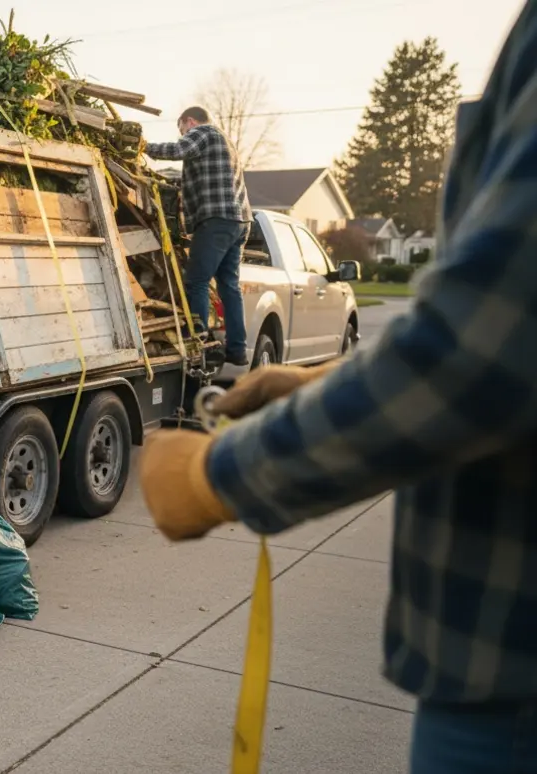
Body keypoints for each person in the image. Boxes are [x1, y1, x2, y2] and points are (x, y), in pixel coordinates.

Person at [138, 2, 537, 771]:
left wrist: (221, 474)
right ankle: (219, 337)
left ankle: (210, 333)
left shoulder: (200, 137)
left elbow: (488, 342)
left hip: (509, 674)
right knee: (217, 287)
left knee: (201, 279)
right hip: (502, 661)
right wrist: (328, 382)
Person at [144, 106, 252, 366]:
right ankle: (237, 349)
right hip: (239, 221)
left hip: (217, 220)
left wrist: (142, 146)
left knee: (197, 281)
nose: (182, 135)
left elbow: (177, 150)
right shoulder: (225, 140)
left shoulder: (204, 132)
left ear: (188, 121)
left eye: (181, 130)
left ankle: (197, 338)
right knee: (229, 286)